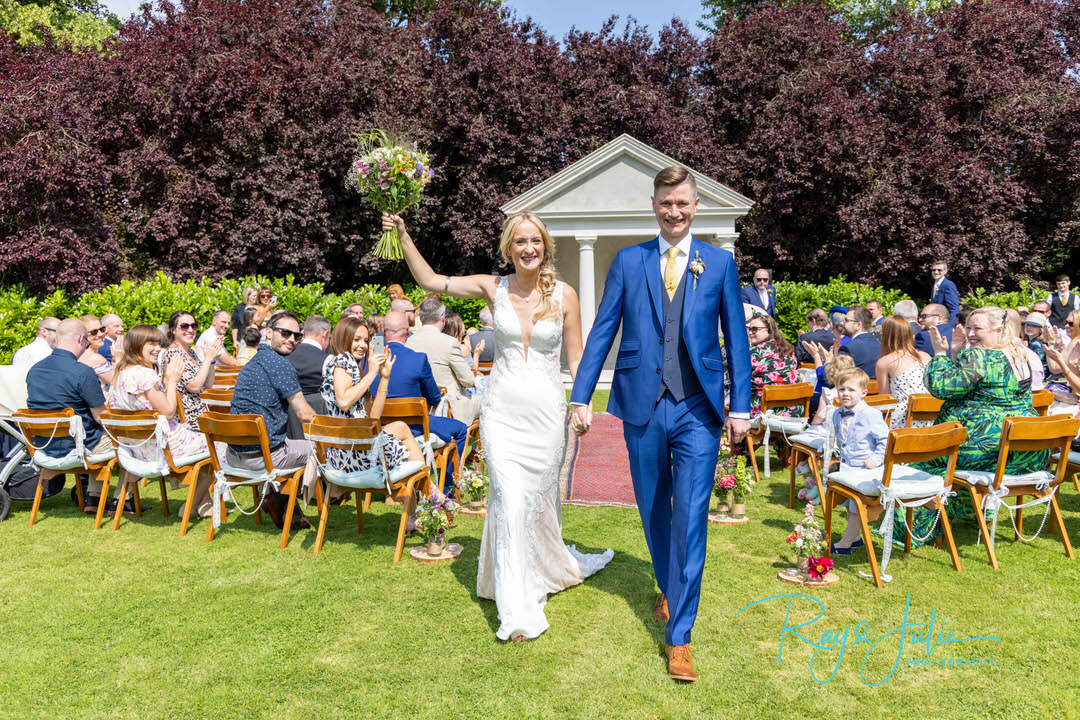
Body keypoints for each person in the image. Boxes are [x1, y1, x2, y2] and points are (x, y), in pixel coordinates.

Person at [389, 198, 617, 647]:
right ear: (508, 248)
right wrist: (402, 233)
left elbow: (579, 356)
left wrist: (582, 402)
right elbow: (431, 280)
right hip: (503, 415)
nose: (528, 248)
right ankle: (517, 605)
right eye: (520, 241)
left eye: (535, 241)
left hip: (548, 416)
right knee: (509, 498)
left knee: (537, 499)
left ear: (545, 246)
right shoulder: (492, 286)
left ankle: (546, 565)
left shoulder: (565, 294)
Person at [570, 165, 750, 682]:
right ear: (654, 204)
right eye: (666, 203)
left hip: (698, 408)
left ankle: (680, 638)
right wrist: (581, 396)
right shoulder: (630, 262)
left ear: (696, 206)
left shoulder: (718, 263)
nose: (675, 212)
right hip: (642, 404)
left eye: (683, 204)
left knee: (691, 517)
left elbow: (735, 336)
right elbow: (603, 331)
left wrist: (740, 406)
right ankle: (670, 591)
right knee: (654, 510)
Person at [903, 306, 1045, 545]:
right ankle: (973, 510)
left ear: (998, 330)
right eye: (968, 327)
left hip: (987, 451)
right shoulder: (1021, 354)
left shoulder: (980, 356)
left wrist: (939, 354)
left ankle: (915, 529)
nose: (970, 333)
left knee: (921, 461)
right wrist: (958, 352)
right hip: (1025, 453)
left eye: (977, 328)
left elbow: (941, 387)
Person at [319, 315, 434, 506]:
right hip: (353, 454)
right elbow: (344, 401)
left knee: (400, 428)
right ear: (343, 338)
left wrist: (384, 377)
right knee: (408, 443)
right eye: (356, 340)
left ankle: (424, 502)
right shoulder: (343, 361)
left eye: (365, 340)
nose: (362, 345)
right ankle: (428, 501)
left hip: (349, 451)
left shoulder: (351, 366)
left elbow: (373, 418)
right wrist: (372, 372)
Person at [109, 325, 214, 516]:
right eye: (151, 343)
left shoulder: (120, 373)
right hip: (162, 449)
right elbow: (168, 413)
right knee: (219, 444)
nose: (157, 348)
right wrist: (172, 380)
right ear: (135, 345)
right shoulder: (144, 375)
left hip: (137, 449)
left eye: (158, 343)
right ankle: (191, 506)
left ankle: (204, 503)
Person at [227, 311, 316, 530]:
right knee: (320, 447)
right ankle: (306, 509)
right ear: (268, 333)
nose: (292, 339)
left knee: (285, 440)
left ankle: (277, 499)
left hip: (233, 457)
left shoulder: (252, 363)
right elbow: (305, 414)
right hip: (262, 459)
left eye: (297, 336)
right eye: (285, 333)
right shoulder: (280, 365)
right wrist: (336, 432)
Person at [26, 319, 125, 511]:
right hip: (78, 447)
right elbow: (100, 417)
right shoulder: (83, 372)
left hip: (43, 447)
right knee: (128, 438)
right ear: (81, 339)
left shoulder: (34, 371)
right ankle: (122, 499)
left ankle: (94, 498)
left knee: (98, 434)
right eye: (87, 343)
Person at [371, 311, 469, 494]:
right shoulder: (418, 359)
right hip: (416, 429)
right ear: (408, 332)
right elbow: (434, 398)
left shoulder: (371, 362)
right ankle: (449, 486)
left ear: (383, 333)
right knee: (462, 429)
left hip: (382, 428)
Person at [825, 367, 889, 554]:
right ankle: (856, 538)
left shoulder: (870, 414)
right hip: (847, 466)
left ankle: (845, 544)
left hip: (865, 469)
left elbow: (885, 441)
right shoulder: (837, 414)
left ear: (863, 393)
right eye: (842, 389)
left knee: (856, 505)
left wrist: (876, 460)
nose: (845, 394)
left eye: (851, 390)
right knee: (848, 504)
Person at [406, 299, 482, 426]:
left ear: (421, 317)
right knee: (487, 402)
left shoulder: (408, 343)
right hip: (449, 407)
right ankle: (476, 445)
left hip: (420, 406)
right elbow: (468, 380)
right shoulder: (450, 342)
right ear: (442, 318)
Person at [160, 311, 218, 431]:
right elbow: (195, 386)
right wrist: (207, 359)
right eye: (184, 326)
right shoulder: (173, 355)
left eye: (194, 325)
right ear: (173, 330)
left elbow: (208, 384)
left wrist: (211, 360)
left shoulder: (190, 353)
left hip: (202, 414)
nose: (190, 330)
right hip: (190, 420)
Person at [874, 316, 930, 429]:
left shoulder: (885, 362)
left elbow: (885, 400)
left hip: (903, 420)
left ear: (886, 335)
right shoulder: (926, 357)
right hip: (930, 417)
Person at [285, 314, 332, 439]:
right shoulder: (328, 360)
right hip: (320, 425)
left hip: (291, 427)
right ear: (325, 334)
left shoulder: (286, 358)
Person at [747, 315, 799, 418]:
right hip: (792, 411)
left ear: (769, 330)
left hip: (763, 411)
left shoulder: (753, 353)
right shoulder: (788, 350)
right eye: (749, 329)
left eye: (755, 329)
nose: (750, 332)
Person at [837, 306, 880, 378]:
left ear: (858, 325)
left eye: (846, 320)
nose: (842, 323)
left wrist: (828, 361)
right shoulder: (881, 346)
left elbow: (838, 379)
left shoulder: (847, 348)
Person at [78, 315, 115, 391]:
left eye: (102, 329)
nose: (100, 334)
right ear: (82, 335)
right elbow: (119, 383)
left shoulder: (78, 355)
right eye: (93, 332)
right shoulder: (95, 359)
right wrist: (118, 358)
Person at [929, 260, 960, 328]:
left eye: (939, 270)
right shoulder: (935, 285)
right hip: (937, 324)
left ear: (945, 271)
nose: (936, 272)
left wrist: (950, 327)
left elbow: (954, 309)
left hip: (945, 325)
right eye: (934, 270)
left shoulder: (948, 285)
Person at [1021, 311, 1052, 377]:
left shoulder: (1037, 345)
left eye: (1034, 326)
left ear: (1041, 329)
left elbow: (1036, 365)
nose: (1029, 328)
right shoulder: (1030, 341)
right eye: (1028, 325)